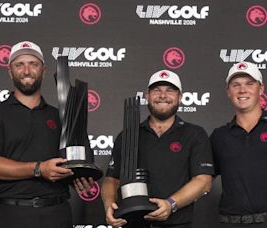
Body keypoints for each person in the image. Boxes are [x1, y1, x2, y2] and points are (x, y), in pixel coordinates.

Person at [0, 41, 92, 228]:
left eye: (33, 64)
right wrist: (39, 169)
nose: (27, 70)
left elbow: (77, 163)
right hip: (12, 215)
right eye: (19, 65)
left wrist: (78, 177)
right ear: (10, 71)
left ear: (44, 70)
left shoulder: (61, 116)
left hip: (57, 214)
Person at [102, 70, 214, 228]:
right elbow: (111, 180)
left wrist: (170, 204)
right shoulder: (128, 135)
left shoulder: (194, 134)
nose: (163, 95)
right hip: (133, 223)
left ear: (180, 97)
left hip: (177, 224)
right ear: (147, 96)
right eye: (156, 90)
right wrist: (109, 205)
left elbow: (203, 181)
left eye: (170, 90)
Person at [210, 61, 267, 227]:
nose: (243, 90)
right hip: (230, 222)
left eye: (249, 84)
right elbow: (202, 179)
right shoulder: (219, 136)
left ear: (261, 89)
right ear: (228, 91)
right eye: (236, 85)